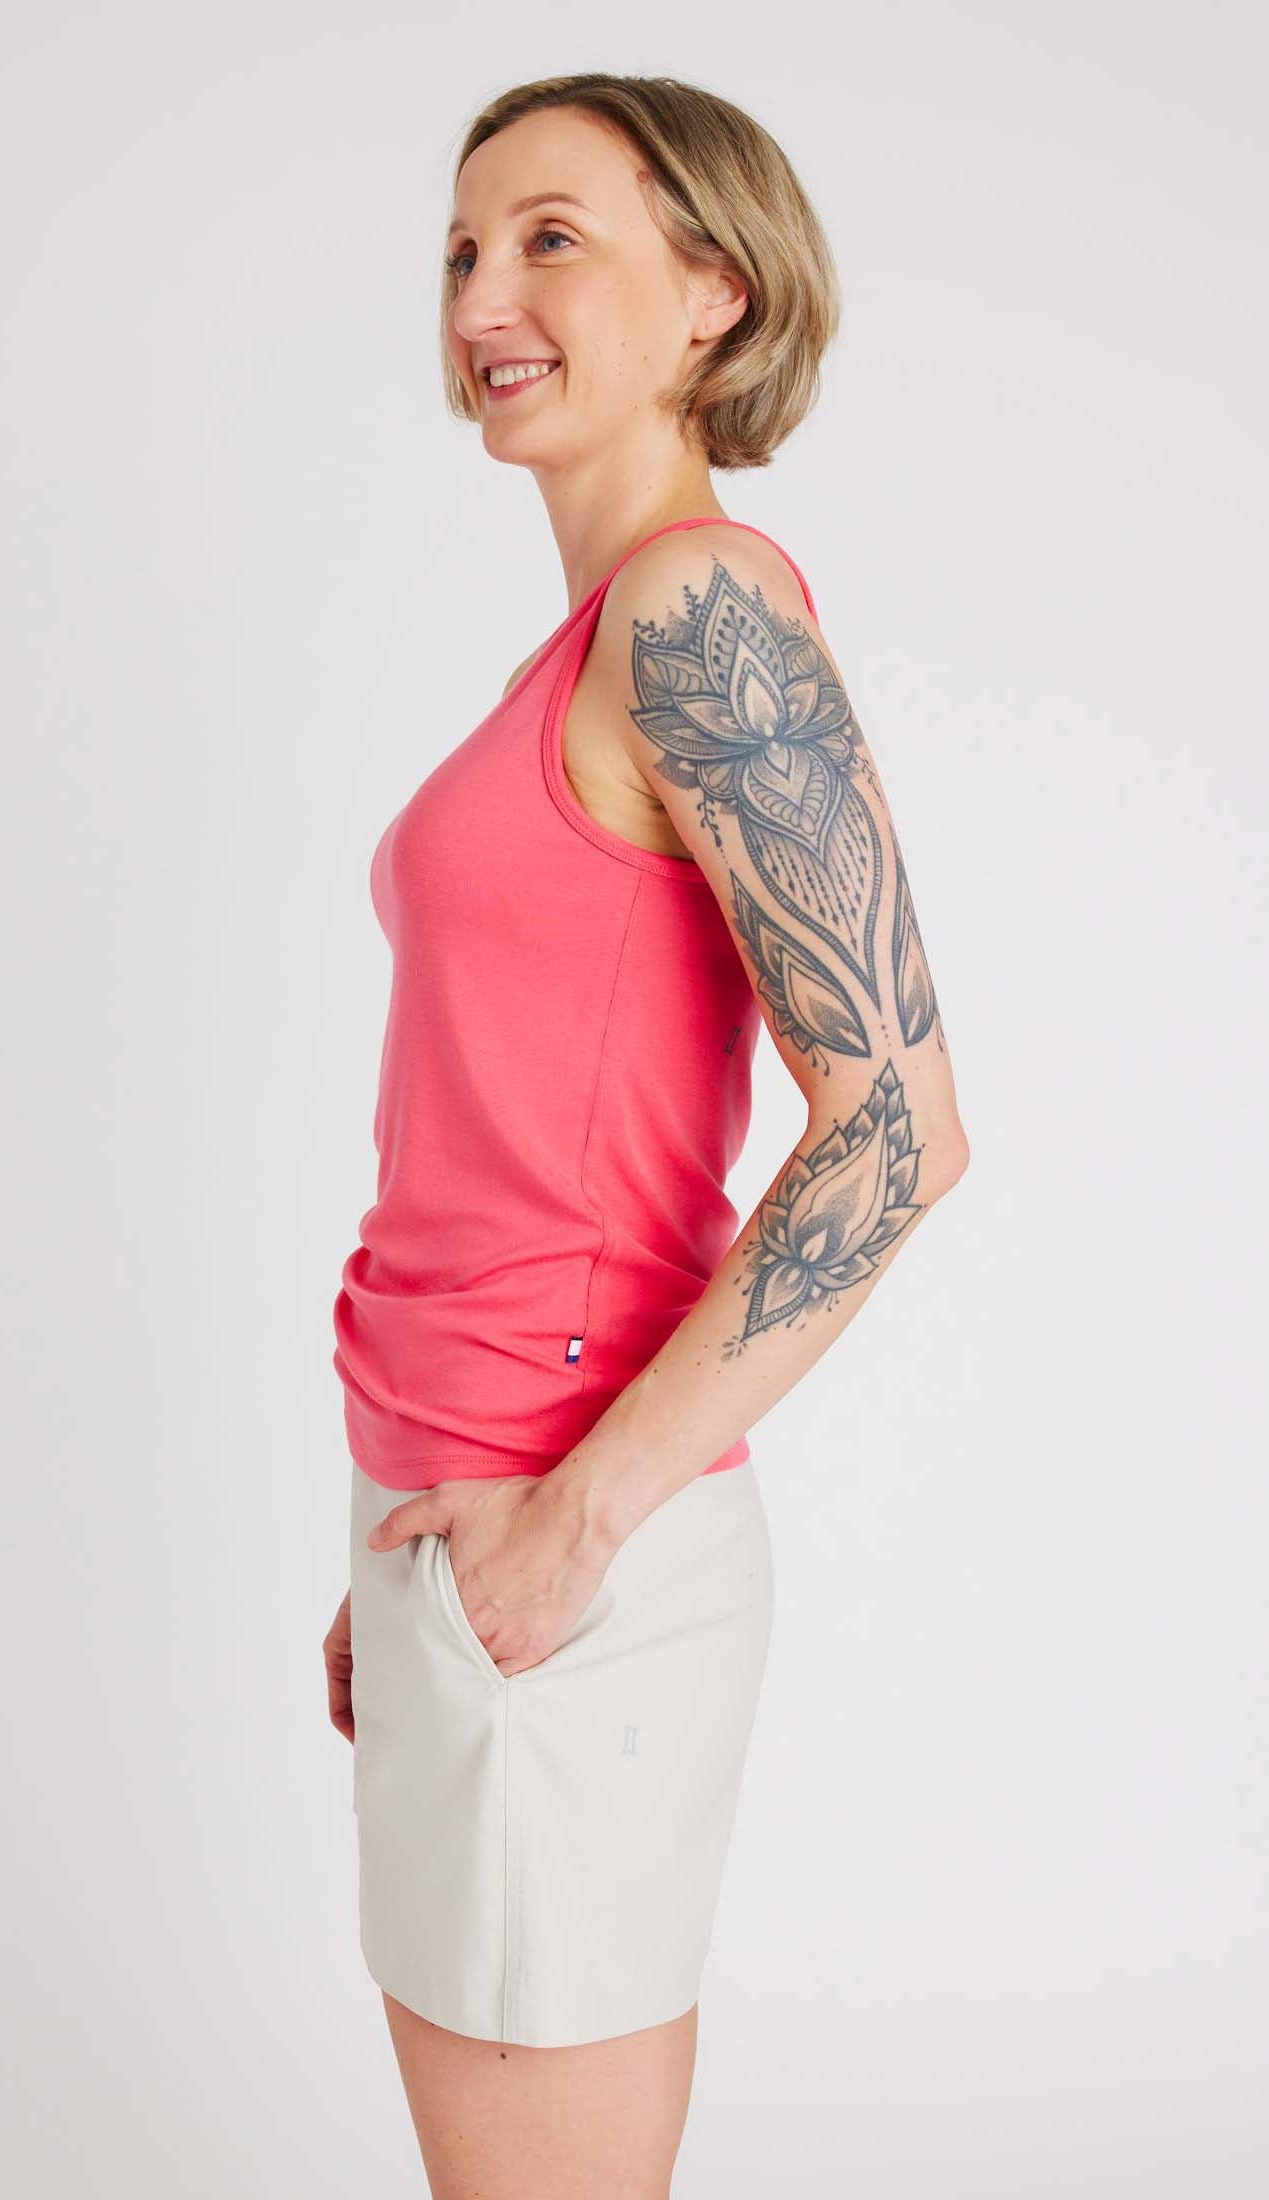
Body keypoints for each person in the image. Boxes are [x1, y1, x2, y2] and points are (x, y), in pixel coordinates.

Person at [322, 72, 971, 2199]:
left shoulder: (696, 613)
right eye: (459, 249)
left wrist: (569, 1522)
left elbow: (895, 1128)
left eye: (549, 239)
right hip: (469, 1508)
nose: (477, 298)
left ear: (713, 291)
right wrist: (418, 1517)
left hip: (554, 1528)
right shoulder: (597, 640)